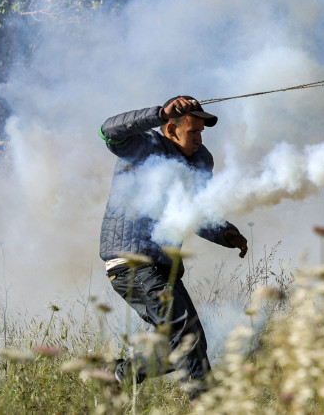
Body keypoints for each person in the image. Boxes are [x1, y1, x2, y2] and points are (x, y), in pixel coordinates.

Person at [98, 95, 248, 399]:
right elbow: (107, 131)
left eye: (201, 132)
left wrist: (226, 233)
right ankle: (204, 404)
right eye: (193, 132)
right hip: (130, 264)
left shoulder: (200, 160)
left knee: (192, 342)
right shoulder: (143, 147)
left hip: (164, 268)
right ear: (170, 129)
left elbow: (194, 211)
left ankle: (117, 375)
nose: (199, 138)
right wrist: (158, 113)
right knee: (186, 339)